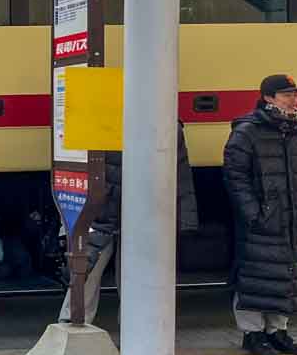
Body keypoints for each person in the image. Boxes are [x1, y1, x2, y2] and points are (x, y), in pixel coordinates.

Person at [60, 121, 198, 324]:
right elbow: (181, 174)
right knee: (131, 276)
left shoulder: (102, 117)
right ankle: (133, 330)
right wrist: (187, 219)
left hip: (101, 210)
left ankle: (74, 325)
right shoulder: (163, 119)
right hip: (137, 210)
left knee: (86, 272)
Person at [224, 74, 297, 355]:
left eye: (295, 94)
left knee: (287, 275)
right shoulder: (247, 131)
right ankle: (252, 333)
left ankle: (277, 331)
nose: (294, 99)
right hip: (263, 220)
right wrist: (253, 213)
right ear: (268, 98)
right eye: (286, 94)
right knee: (255, 275)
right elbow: (234, 176)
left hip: (294, 218)